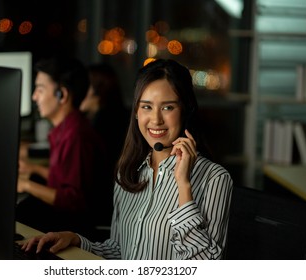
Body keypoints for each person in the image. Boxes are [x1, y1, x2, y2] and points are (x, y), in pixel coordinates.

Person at [21, 58, 233, 260]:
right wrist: (77, 241)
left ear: (186, 110)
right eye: (146, 107)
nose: (156, 119)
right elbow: (121, 251)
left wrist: (183, 187)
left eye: (168, 107)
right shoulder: (129, 172)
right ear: (136, 112)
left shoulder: (214, 179)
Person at [16, 55, 108, 238]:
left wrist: (26, 185)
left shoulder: (76, 136)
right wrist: (33, 169)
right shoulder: (65, 129)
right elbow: (66, 179)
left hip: (71, 230)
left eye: (40, 90)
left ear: (62, 95)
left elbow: (74, 202)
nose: (34, 97)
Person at [79, 63, 129, 227]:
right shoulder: (114, 117)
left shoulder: (102, 126)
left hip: (102, 213)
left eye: (81, 87)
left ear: (95, 91)